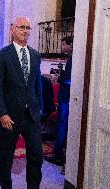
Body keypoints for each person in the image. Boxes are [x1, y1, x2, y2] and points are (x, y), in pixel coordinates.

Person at [0, 16, 43, 189]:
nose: (25, 30)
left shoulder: (35, 55)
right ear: (12, 29)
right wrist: (2, 113)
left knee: (36, 156)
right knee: (6, 157)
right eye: (21, 27)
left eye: (28, 28)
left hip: (32, 116)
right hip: (10, 117)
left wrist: (39, 109)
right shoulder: (2, 55)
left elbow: (36, 85)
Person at [45, 36, 73, 166]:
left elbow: (71, 81)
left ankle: (58, 155)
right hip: (65, 97)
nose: (62, 47)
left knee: (62, 125)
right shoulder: (70, 58)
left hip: (66, 98)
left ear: (71, 45)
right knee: (61, 125)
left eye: (64, 45)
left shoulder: (73, 58)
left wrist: (58, 79)